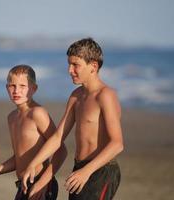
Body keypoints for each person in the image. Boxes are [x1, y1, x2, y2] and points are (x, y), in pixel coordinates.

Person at [22, 38, 124, 200]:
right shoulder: (76, 96)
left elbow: (117, 144)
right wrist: (33, 164)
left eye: (75, 65)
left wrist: (87, 171)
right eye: (69, 64)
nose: (70, 70)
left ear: (93, 66)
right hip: (79, 168)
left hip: (101, 171)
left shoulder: (106, 96)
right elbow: (57, 137)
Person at [0, 64, 67, 200]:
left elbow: (61, 150)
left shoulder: (37, 113)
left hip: (41, 184)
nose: (16, 91)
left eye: (22, 86)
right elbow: (19, 158)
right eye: (12, 86)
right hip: (23, 185)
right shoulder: (12, 118)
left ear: (33, 88)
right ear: (7, 88)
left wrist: (42, 184)